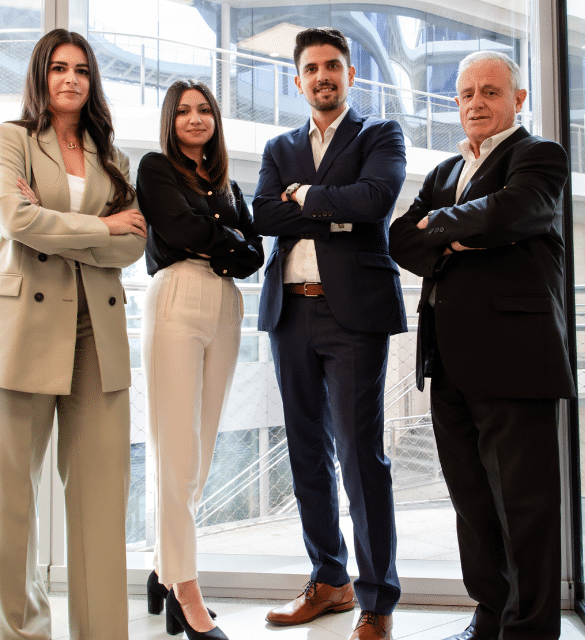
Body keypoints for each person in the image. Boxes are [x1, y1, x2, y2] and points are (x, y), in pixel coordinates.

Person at [0, 28, 147, 640]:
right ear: (41, 75)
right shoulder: (9, 140)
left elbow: (136, 243)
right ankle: (17, 633)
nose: (70, 79)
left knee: (99, 498)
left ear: (92, 82)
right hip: (21, 329)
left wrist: (59, 223)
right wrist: (102, 225)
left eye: (82, 70)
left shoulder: (111, 156)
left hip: (98, 327)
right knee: (13, 502)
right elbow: (15, 218)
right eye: (58, 68)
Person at [389, 51, 575, 640]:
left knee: (525, 509)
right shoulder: (445, 171)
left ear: (518, 100)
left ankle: (530, 630)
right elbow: (400, 239)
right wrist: (464, 232)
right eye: (466, 93)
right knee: (472, 504)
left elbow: (514, 210)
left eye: (490, 91)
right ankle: (490, 617)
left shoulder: (538, 156)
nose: (476, 103)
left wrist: (441, 229)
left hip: (515, 361)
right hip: (448, 361)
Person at [252, 27, 407, 640]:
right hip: (290, 313)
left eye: (333, 66)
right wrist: (332, 209)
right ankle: (329, 579)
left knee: (360, 455)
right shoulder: (278, 144)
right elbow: (264, 213)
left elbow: (375, 200)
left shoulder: (380, 134)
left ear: (350, 75)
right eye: (312, 68)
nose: (323, 76)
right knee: (305, 452)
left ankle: (377, 599)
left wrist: (309, 196)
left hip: (354, 316)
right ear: (298, 80)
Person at [135, 79, 264, 640]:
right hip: (177, 297)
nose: (195, 118)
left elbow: (254, 254)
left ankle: (163, 570)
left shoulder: (226, 181)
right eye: (184, 110)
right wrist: (228, 236)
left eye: (204, 109)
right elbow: (180, 228)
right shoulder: (156, 168)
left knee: (202, 451)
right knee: (176, 451)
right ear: (171, 119)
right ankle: (188, 592)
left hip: (225, 305)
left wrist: (223, 237)